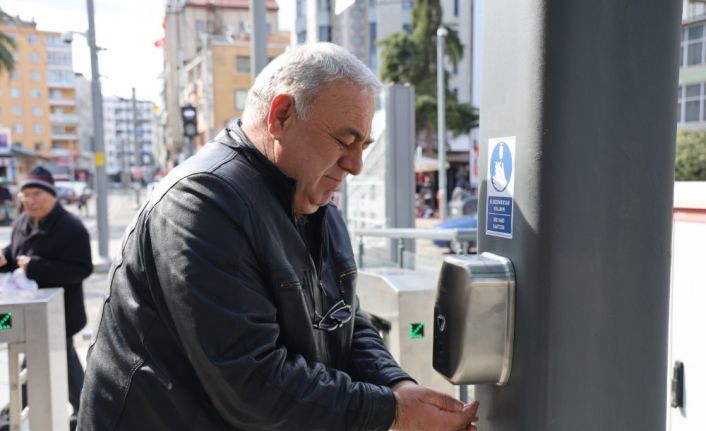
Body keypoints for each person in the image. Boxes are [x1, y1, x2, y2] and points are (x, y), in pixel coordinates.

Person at [78, 43, 479, 430]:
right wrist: (391, 412)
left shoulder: (314, 200)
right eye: (346, 140)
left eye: (364, 145)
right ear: (281, 114)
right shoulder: (201, 203)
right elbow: (251, 383)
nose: (356, 164)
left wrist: (398, 385)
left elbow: (345, 323)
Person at [0, 165, 93, 429]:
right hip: (27, 310)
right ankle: (88, 410)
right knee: (44, 360)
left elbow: (82, 269)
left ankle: (90, 412)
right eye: (25, 195)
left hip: (59, 313)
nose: (30, 200)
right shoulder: (21, 223)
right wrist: (4, 259)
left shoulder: (71, 228)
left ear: (52, 196)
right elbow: (17, 255)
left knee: (62, 363)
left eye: (37, 194)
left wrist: (37, 266)